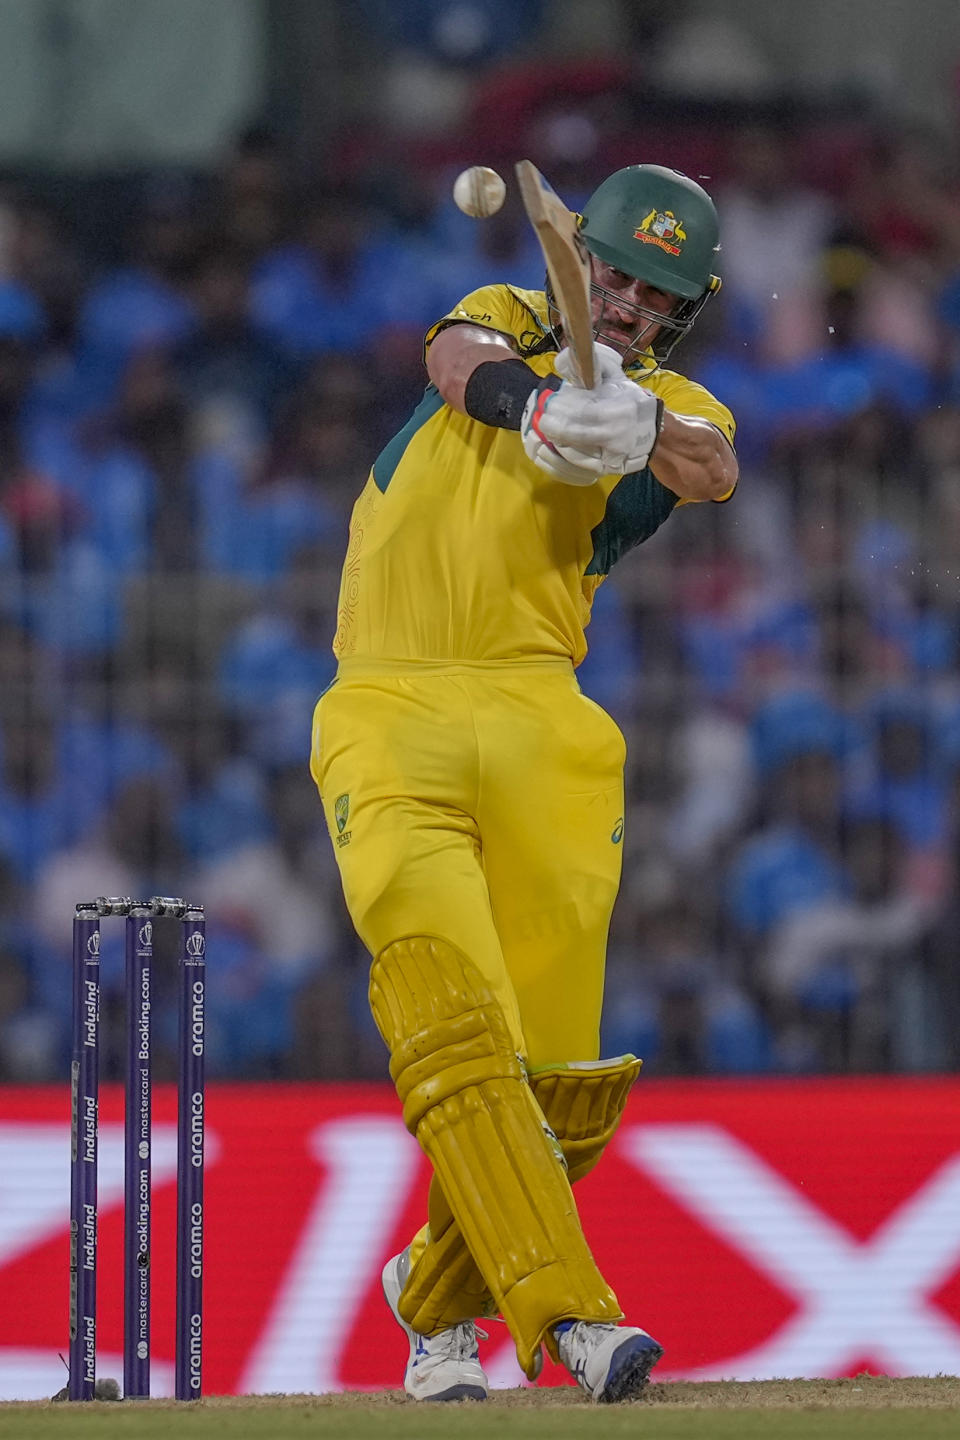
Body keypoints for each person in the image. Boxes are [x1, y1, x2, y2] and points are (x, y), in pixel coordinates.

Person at [309, 164, 738, 1403]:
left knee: (560, 1088)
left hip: (546, 719)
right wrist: (537, 411)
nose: (628, 307)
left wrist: (638, 428)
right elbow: (454, 359)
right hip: (389, 706)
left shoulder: (684, 396)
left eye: (658, 298)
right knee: (458, 1029)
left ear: (680, 312)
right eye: (614, 275)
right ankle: (572, 1321)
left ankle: (432, 1301)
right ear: (580, 261)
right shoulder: (501, 308)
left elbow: (709, 466)